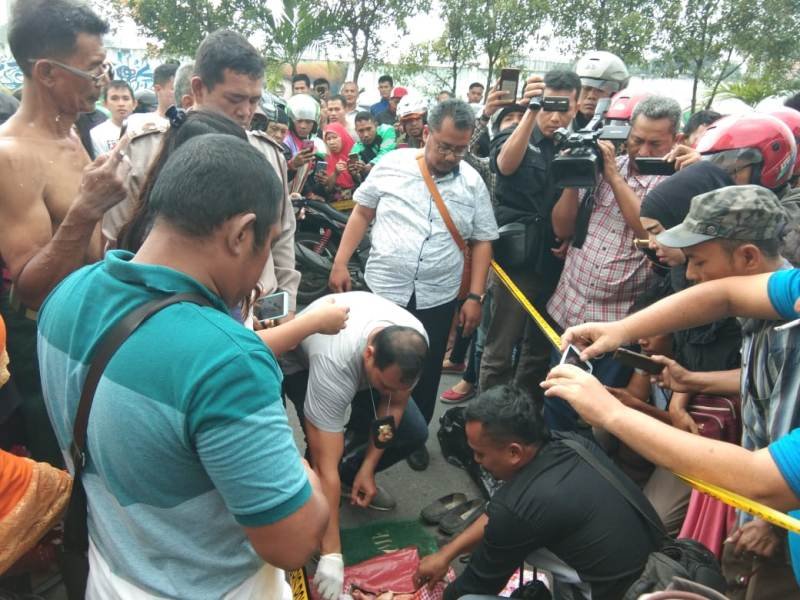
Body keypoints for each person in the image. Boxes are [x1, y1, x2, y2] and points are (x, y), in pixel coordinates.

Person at [38, 134, 329, 598]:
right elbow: (291, 542)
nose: (261, 274)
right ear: (239, 234)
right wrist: (304, 469)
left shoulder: (69, 294)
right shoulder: (226, 359)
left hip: (110, 569)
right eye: (267, 246)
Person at [565, 185, 800, 598]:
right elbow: (724, 296)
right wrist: (623, 330)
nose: (688, 274)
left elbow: (763, 478)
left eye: (698, 260)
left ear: (747, 256)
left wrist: (612, 413)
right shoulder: (788, 294)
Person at [330, 99, 499, 471]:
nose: (452, 156)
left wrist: (474, 295)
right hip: (383, 290)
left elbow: (483, 239)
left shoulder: (473, 182)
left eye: (461, 149)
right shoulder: (392, 165)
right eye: (445, 146)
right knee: (370, 362)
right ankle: (362, 427)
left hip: (436, 296)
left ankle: (411, 436)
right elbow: (362, 211)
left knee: (422, 369)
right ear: (426, 133)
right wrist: (340, 261)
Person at [0, 0, 128, 467]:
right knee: (63, 476)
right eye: (93, 69)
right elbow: (29, 288)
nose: (104, 80)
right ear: (47, 73)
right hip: (44, 351)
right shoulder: (11, 154)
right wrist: (87, 209)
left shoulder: (73, 133)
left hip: (89, 335)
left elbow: (90, 250)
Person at [104, 30, 301, 314]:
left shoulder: (269, 154)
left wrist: (284, 309)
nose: (246, 112)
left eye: (254, 100)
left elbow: (281, 239)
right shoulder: (144, 151)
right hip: (165, 314)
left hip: (254, 316)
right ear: (198, 89)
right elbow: (116, 243)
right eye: (235, 98)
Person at [414, 384, 659, 600]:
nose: (477, 461)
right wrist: (446, 554)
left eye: (480, 453)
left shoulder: (519, 509)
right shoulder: (572, 443)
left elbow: (473, 585)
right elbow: (499, 513)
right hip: (661, 573)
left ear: (514, 453)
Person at [281, 291, 429, 600]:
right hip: (302, 361)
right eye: (385, 385)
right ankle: (315, 518)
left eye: (396, 386)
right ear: (370, 355)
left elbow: (393, 406)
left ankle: (349, 481)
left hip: (364, 369)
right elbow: (326, 461)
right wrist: (333, 554)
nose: (389, 393)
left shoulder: (414, 344)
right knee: (320, 453)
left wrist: (368, 468)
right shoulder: (333, 362)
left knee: (414, 431)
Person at [546, 95, 681, 429]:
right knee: (557, 400)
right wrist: (574, 177)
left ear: (676, 140)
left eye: (655, 143)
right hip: (571, 310)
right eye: (636, 140)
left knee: (598, 415)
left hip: (620, 322)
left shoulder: (675, 182)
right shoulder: (600, 165)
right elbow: (561, 228)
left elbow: (650, 232)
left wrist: (614, 179)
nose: (643, 151)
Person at [480, 70, 580, 397]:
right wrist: (530, 111)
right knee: (500, 347)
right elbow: (506, 165)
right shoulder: (515, 131)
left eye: (563, 109)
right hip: (515, 259)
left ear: (576, 106)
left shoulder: (577, 145)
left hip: (553, 260)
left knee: (537, 351)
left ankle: (523, 416)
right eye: (547, 106)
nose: (555, 117)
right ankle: (487, 418)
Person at [573, 50, 630, 129]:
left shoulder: (624, 128)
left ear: (616, 94)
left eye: (600, 90)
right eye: (586, 88)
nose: (591, 96)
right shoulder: (561, 124)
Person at [90, 79, 136, 156]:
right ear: (105, 104)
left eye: (125, 98)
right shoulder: (97, 134)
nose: (121, 104)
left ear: (134, 104)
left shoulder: (144, 129)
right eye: (114, 98)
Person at [125, 62, 177, 129]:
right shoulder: (137, 122)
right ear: (158, 89)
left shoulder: (189, 121)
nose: (180, 92)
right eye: (174, 88)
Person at [314, 123, 357, 203]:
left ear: (343, 137)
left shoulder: (355, 154)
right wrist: (335, 173)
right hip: (334, 209)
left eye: (335, 137)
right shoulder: (325, 159)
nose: (331, 142)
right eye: (328, 139)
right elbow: (326, 190)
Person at [348, 111, 397, 179]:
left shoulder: (387, 130)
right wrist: (356, 173)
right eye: (361, 131)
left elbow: (386, 153)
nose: (366, 134)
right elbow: (358, 177)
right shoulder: (356, 149)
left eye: (369, 129)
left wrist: (370, 166)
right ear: (356, 131)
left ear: (376, 125)